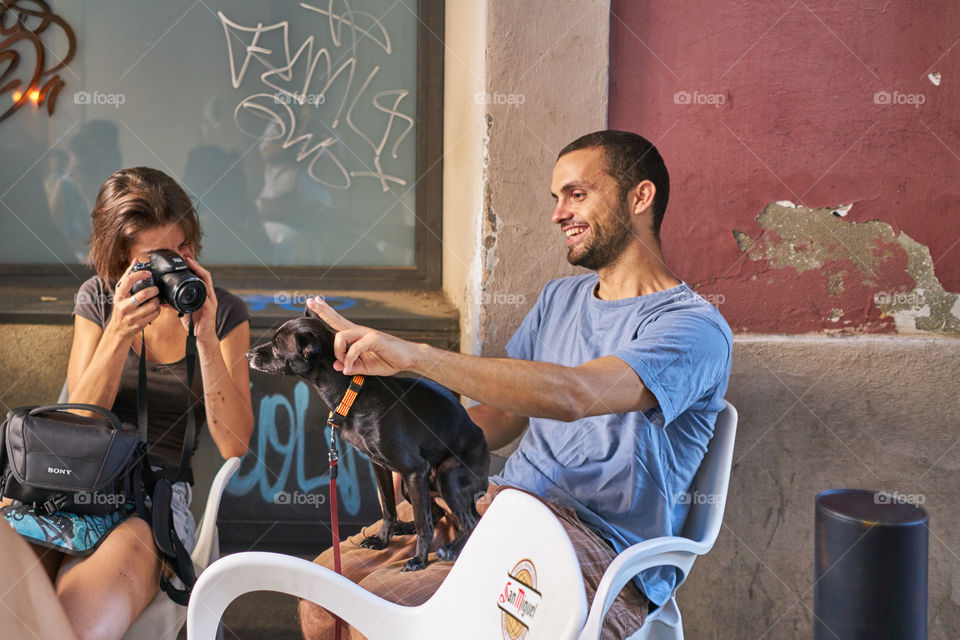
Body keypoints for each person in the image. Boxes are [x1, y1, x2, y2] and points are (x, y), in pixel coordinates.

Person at [298, 130, 733, 639]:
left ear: (640, 197)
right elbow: (501, 417)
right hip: (498, 505)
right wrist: (428, 452)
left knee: (392, 620)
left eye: (577, 194)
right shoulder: (560, 299)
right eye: (557, 199)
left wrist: (417, 357)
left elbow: (575, 395)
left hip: (592, 541)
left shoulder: (693, 328)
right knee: (324, 598)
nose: (558, 213)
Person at [1, 167, 255, 639]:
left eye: (181, 251)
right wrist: (119, 330)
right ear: (119, 263)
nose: (171, 267)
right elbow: (78, 419)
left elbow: (235, 442)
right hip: (69, 487)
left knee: (72, 626)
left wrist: (203, 335)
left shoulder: (225, 313)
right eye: (153, 258)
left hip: (150, 502)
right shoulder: (99, 299)